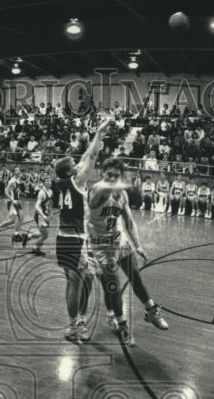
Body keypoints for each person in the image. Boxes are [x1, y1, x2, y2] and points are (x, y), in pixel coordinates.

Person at [86, 158, 168, 345]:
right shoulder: (96, 190)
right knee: (114, 287)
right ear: (102, 173)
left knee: (136, 277)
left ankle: (151, 310)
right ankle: (122, 324)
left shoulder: (122, 194)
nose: (113, 178)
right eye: (109, 174)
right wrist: (119, 183)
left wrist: (138, 245)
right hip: (101, 246)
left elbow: (129, 222)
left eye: (117, 175)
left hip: (118, 239)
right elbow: (98, 195)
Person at [52, 119, 112, 342]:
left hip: (63, 238)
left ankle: (75, 324)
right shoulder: (78, 181)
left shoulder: (62, 182)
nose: (78, 163)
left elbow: (86, 157)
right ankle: (74, 326)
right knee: (77, 283)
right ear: (71, 171)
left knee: (75, 281)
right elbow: (92, 157)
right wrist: (98, 134)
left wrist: (97, 139)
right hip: (75, 240)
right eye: (74, 164)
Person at [20, 174, 52, 256]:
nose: (49, 182)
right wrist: (43, 215)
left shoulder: (50, 191)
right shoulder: (42, 193)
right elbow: (37, 206)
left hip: (45, 215)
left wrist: (50, 213)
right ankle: (35, 248)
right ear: (43, 183)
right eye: (47, 181)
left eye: (50, 180)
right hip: (40, 215)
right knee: (45, 235)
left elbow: (47, 204)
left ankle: (28, 236)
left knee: (42, 233)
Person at [0, 168, 25, 241]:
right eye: (16, 170)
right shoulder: (12, 181)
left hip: (17, 201)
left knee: (20, 218)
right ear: (14, 172)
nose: (18, 172)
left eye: (19, 170)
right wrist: (12, 200)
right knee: (13, 220)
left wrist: (21, 193)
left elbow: (15, 190)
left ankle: (16, 234)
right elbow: (6, 191)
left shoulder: (18, 179)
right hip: (13, 203)